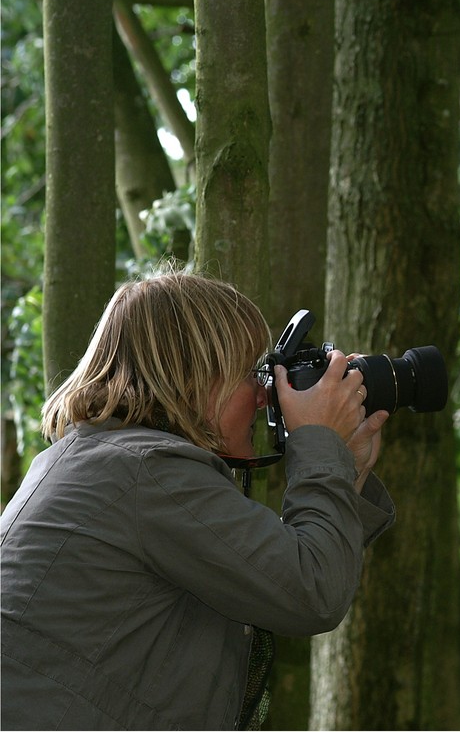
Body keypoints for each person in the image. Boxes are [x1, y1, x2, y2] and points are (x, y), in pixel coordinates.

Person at [0, 270, 395, 730]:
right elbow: (312, 591)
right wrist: (319, 442)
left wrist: (341, 464)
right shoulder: (148, 472)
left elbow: (274, 576)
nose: (267, 397)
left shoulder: (106, 462)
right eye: (251, 374)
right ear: (196, 377)